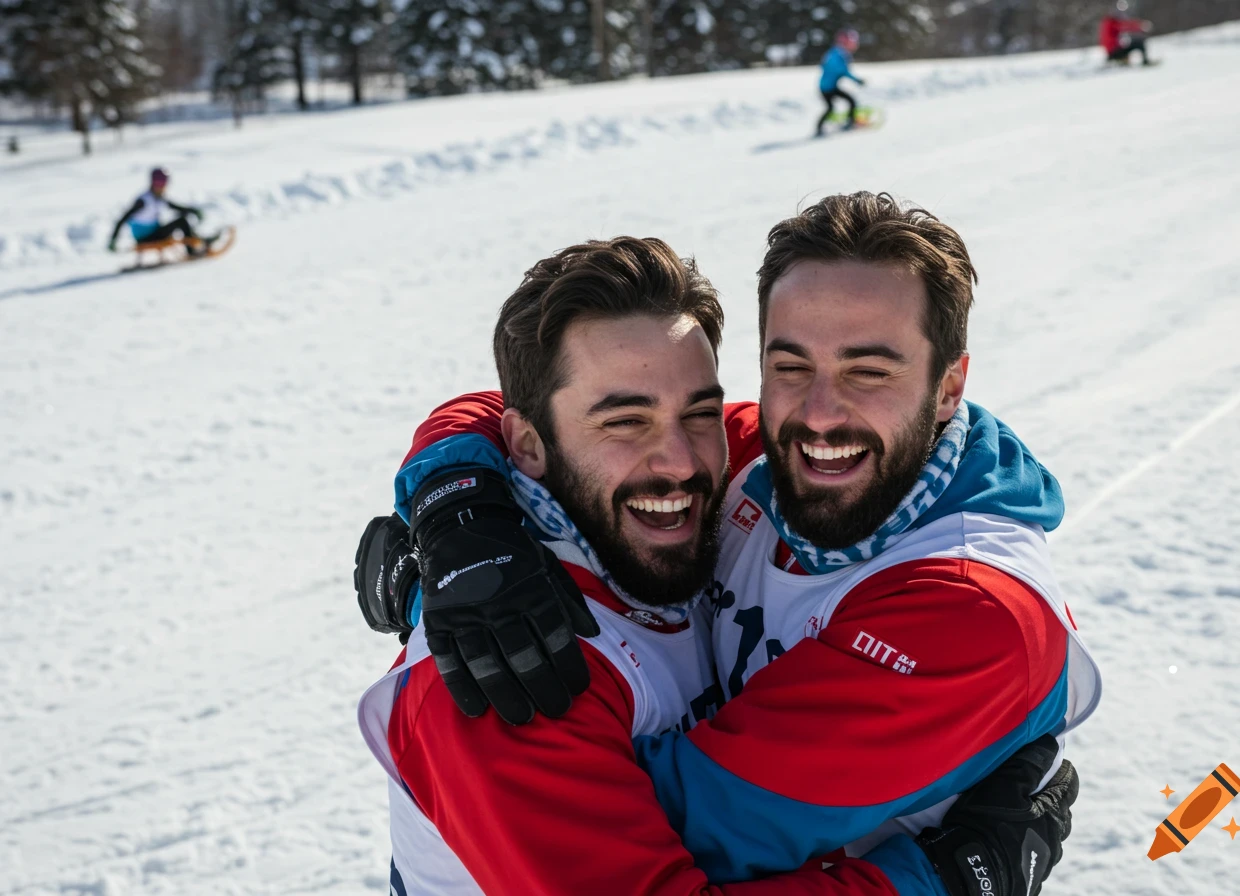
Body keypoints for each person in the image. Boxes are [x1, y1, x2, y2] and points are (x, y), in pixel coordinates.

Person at [356, 196, 1100, 893]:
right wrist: (456, 507)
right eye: (790, 367)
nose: (819, 415)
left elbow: (690, 824)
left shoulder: (967, 610)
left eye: (869, 370)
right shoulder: (500, 672)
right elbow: (508, 403)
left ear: (947, 389)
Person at [107, 167, 212, 256]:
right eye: (160, 182)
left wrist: (193, 211)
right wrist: (113, 240)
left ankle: (201, 241)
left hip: (155, 232)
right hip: (145, 238)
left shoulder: (158, 198)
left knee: (182, 217)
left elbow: (176, 207)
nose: (163, 186)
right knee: (181, 221)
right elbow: (123, 218)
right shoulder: (143, 201)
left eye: (164, 183)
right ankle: (193, 249)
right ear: (154, 182)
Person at [816, 28, 865, 137]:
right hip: (827, 88)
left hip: (830, 86)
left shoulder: (836, 53)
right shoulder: (838, 54)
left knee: (849, 101)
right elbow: (842, 71)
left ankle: (850, 121)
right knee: (831, 108)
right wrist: (857, 80)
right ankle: (820, 128)